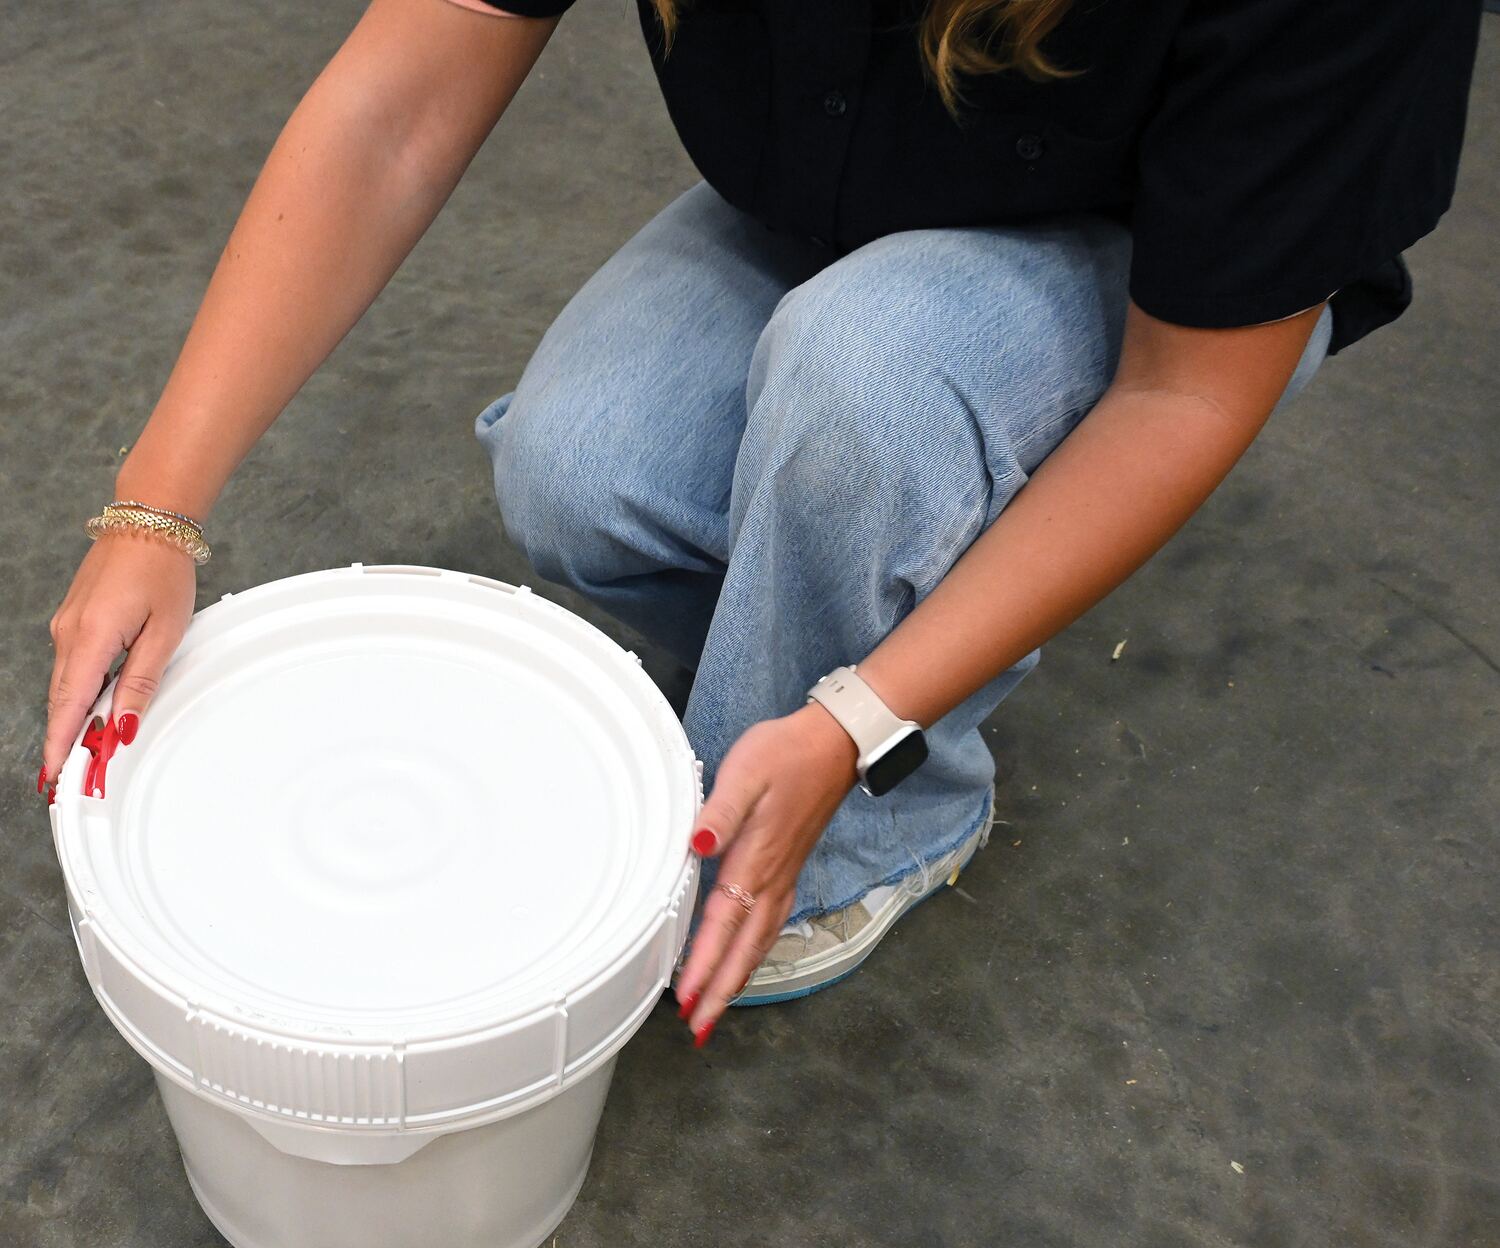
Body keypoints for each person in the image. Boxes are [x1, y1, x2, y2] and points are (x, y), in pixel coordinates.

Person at [42, 0, 1481, 1048]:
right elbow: (404, 96)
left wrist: (859, 718)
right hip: (877, 162)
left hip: (1168, 265)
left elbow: (1184, 391)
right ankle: (876, 575)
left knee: (866, 385)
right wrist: (155, 506)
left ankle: (897, 817)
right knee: (580, 465)